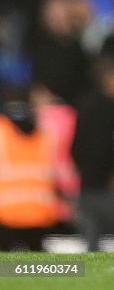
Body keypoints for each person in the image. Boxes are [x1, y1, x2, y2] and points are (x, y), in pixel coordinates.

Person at [71, 57, 114, 252]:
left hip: (87, 185)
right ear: (110, 79)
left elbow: (75, 147)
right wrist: (111, 173)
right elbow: (102, 146)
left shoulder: (87, 104)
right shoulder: (106, 109)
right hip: (101, 188)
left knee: (92, 242)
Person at [0, 92, 60, 251]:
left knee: (6, 268)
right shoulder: (43, 132)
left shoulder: (2, 130)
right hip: (39, 212)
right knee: (36, 265)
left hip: (6, 213)